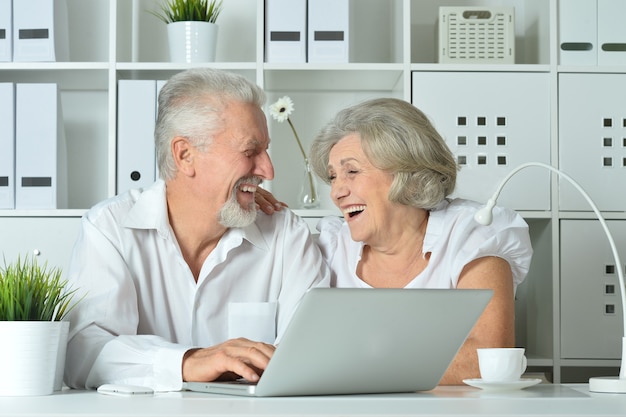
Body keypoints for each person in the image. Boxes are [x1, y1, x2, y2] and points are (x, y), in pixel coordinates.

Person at [64, 68, 330, 392]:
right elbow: (83, 353)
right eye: (250, 152)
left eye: (265, 150)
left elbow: (309, 360)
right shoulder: (110, 230)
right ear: (185, 155)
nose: (268, 169)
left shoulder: (286, 235)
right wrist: (188, 362)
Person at [258, 97, 532, 385]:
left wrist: (345, 363)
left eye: (351, 171)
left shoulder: (472, 234)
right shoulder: (329, 248)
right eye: (333, 177)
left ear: (407, 173)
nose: (337, 192)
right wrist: (249, 202)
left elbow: (486, 360)